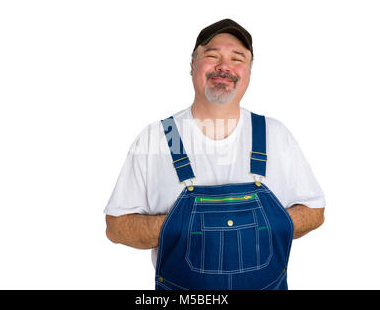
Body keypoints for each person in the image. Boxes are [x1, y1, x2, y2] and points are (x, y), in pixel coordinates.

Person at [104, 19, 325, 290]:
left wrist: (255, 224)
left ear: (249, 72)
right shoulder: (160, 137)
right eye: (212, 55)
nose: (225, 66)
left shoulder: (274, 134)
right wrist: (183, 227)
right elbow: (116, 227)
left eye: (238, 58)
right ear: (192, 65)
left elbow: (315, 212)